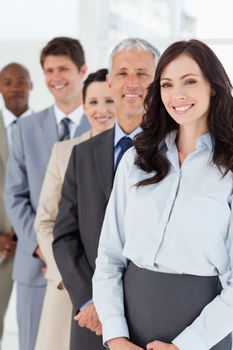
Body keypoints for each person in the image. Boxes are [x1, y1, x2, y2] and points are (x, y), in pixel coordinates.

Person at [93, 38, 233, 350]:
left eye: (190, 81)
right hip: (129, 330)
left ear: (215, 86)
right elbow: (109, 257)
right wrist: (116, 337)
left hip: (203, 335)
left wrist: (187, 345)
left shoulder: (229, 169)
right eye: (167, 84)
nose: (177, 95)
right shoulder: (137, 159)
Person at [52, 38, 160, 350]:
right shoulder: (82, 155)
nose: (132, 83)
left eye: (142, 74)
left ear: (157, 82)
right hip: (92, 320)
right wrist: (91, 299)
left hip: (149, 319)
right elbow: (65, 236)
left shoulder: (175, 153)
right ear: (109, 81)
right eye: (122, 73)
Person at [3, 37, 90, 350]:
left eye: (63, 68)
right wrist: (42, 246)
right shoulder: (26, 129)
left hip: (83, 269)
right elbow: (14, 195)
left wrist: (67, 254)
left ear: (82, 70)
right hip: (34, 267)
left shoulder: (101, 126)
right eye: (49, 70)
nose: (56, 77)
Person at [34, 68, 115, 350]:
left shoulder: (136, 152)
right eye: (93, 102)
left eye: (109, 101)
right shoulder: (66, 151)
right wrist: (71, 275)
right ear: (83, 106)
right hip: (69, 286)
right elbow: (46, 221)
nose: (101, 110)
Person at [0, 63, 32, 349]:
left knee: (33, 331)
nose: (15, 88)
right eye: (8, 82)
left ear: (31, 85)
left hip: (35, 248)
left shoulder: (47, 127)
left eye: (21, 81)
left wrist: (31, 233)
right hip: (0, 246)